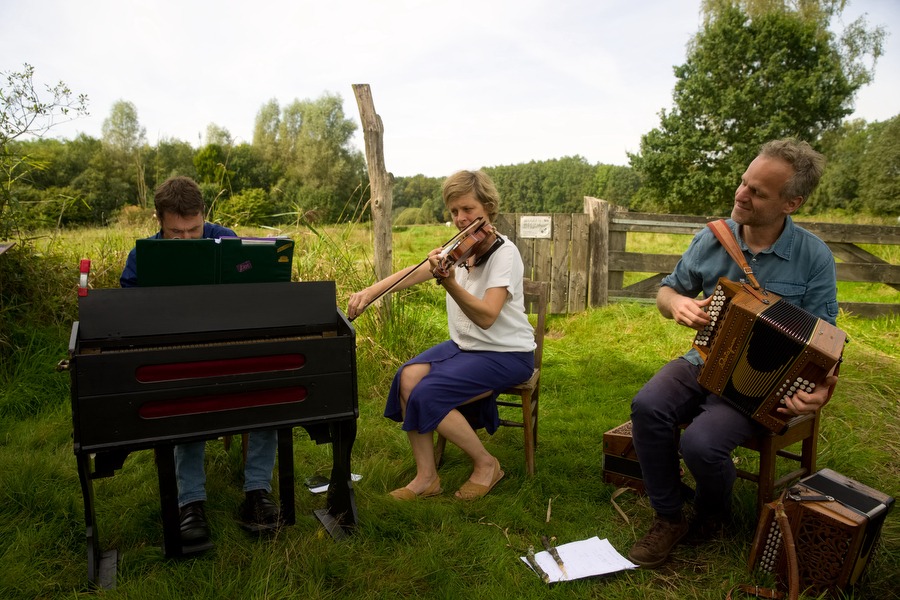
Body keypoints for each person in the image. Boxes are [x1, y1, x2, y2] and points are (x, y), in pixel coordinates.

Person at [627, 139, 840, 568]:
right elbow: (667, 290)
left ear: (791, 202)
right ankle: (669, 517)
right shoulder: (712, 238)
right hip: (704, 359)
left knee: (702, 444)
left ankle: (712, 511)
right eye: (743, 182)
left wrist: (822, 390)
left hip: (762, 382)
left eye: (758, 191)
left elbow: (828, 340)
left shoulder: (814, 257)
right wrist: (677, 305)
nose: (741, 194)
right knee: (647, 405)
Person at [347, 170, 535, 501]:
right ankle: (426, 478)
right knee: (407, 378)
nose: (461, 219)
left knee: (428, 394)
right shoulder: (462, 250)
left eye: (467, 209)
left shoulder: (505, 253)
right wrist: (371, 292)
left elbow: (487, 317)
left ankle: (487, 464)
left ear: (488, 206)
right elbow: (415, 271)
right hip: (466, 348)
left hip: (506, 353)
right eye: (454, 212)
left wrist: (447, 281)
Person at [120, 175, 280, 545]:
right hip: (177, 357)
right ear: (159, 220)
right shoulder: (141, 255)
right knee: (183, 398)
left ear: (203, 216)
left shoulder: (226, 238)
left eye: (194, 230)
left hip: (229, 349)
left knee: (271, 388)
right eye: (176, 233)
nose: (187, 239)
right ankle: (191, 502)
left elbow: (254, 287)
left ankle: (257, 492)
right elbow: (125, 315)